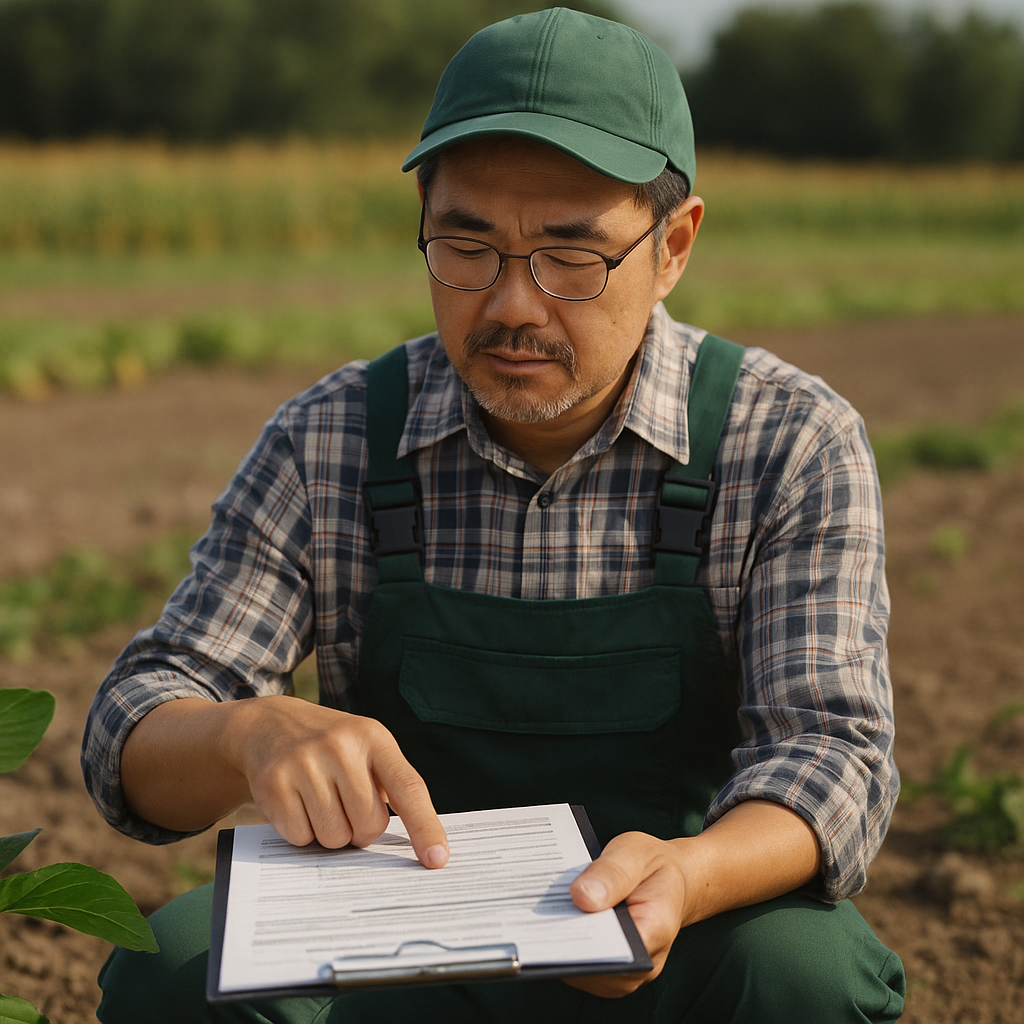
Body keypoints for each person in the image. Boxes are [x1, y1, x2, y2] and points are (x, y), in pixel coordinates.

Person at [82, 8, 905, 1023]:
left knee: (799, 974)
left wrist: (690, 875)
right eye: (465, 245)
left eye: (572, 257)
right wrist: (246, 732)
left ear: (674, 245)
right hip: (400, 945)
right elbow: (136, 722)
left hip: (678, 936)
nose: (513, 303)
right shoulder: (333, 438)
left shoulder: (784, 440)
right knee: (173, 966)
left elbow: (831, 754)